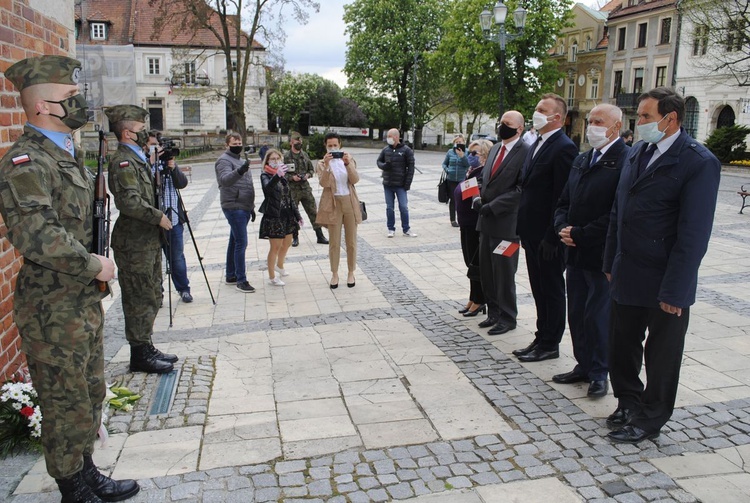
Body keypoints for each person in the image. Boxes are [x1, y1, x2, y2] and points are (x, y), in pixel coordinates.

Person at [0, 55, 139, 502]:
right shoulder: (26, 162)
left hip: (80, 302)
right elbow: (37, 234)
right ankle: (72, 487)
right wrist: (95, 265)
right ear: (42, 106)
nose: (80, 105)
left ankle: (86, 471)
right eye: (70, 98)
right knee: (65, 404)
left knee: (91, 391)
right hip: (52, 307)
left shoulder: (64, 154)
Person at [603, 87, 720, 444]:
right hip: (628, 269)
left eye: (645, 117)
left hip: (664, 277)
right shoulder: (638, 152)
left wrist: (677, 289)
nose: (639, 123)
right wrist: (610, 260)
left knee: (662, 354)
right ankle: (627, 400)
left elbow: (694, 233)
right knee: (622, 342)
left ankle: (651, 417)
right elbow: (617, 211)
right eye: (639, 116)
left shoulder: (698, 161)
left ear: (671, 119)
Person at [553, 104, 629, 398]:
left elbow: (616, 212)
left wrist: (582, 234)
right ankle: (583, 364)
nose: (592, 126)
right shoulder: (583, 159)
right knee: (578, 314)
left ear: (616, 127)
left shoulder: (625, 160)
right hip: (575, 252)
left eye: (599, 121)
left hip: (601, 254)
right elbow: (564, 201)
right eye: (590, 120)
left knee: (598, 316)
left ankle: (600, 371)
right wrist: (563, 227)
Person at [106, 105, 178, 375]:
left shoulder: (137, 158)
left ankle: (145, 344)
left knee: (152, 294)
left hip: (146, 239)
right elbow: (129, 202)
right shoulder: (123, 162)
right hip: (134, 242)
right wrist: (158, 216)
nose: (145, 133)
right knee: (139, 296)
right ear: (127, 133)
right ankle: (139, 354)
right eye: (140, 129)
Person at [514, 93, 578, 362]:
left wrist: (553, 236)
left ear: (558, 118)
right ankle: (541, 336)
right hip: (530, 231)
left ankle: (551, 342)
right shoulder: (537, 142)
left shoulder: (564, 147)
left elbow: (562, 196)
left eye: (543, 109)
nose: (536, 112)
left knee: (551, 289)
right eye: (537, 108)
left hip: (547, 235)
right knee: (538, 288)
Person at [474, 111, 529, 334]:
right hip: (485, 222)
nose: (502, 126)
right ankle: (493, 312)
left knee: (504, 273)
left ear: (520, 129)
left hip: (507, 226)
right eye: (501, 123)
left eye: (507, 124)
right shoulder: (496, 148)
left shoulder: (526, 152)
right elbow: (484, 177)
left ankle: (508, 317)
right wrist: (478, 195)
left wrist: (494, 206)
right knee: (487, 271)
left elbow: (521, 189)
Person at [147, 131, 192, 303]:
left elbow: (182, 183)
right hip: (152, 220)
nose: (155, 148)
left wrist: (172, 168)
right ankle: (157, 293)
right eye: (151, 145)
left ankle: (184, 289)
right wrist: (151, 162)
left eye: (156, 145)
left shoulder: (168, 163)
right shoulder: (142, 164)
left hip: (173, 218)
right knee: (154, 260)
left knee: (177, 257)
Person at [315, 132, 362, 288]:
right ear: (326, 146)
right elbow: (324, 183)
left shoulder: (348, 159)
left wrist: (348, 164)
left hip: (349, 201)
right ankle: (334, 274)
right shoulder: (322, 163)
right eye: (330, 146)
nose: (333, 148)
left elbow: (355, 179)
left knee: (351, 241)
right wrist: (328, 166)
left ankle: (350, 272)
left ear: (340, 145)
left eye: (335, 145)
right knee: (334, 242)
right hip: (332, 203)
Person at [453, 139, 491, 317]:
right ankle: (473, 297)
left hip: (474, 223)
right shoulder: (472, 171)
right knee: (469, 262)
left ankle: (479, 299)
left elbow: (475, 195)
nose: (470, 156)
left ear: (484, 155)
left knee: (475, 263)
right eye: (469, 152)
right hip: (466, 223)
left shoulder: (483, 172)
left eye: (474, 153)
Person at [215, 133, 256, 293]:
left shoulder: (239, 160)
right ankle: (241, 280)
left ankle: (231, 274)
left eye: (240, 142)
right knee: (241, 242)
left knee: (234, 241)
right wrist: (240, 170)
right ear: (227, 145)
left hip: (243, 205)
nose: (238, 145)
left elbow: (246, 184)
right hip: (233, 205)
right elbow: (224, 180)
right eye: (234, 143)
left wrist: (250, 206)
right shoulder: (224, 161)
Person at [260, 149, 302, 286]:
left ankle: (280, 265)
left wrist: (298, 215)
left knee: (288, 243)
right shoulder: (265, 175)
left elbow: (289, 197)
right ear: (267, 161)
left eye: (278, 158)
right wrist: (276, 176)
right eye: (273, 159)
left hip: (287, 215)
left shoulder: (283, 176)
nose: (276, 161)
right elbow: (267, 189)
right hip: (274, 216)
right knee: (275, 247)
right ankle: (272, 277)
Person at [284, 132, 328, 247]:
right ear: (291, 143)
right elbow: (282, 174)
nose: (299, 144)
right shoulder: (286, 157)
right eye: (297, 142)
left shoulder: (305, 155)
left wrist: (307, 175)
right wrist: (292, 177)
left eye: (300, 142)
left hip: (305, 188)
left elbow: (311, 170)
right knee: (293, 214)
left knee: (313, 211)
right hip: (292, 190)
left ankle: (320, 236)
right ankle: (295, 237)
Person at [377, 128, 417, 237]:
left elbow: (411, 168)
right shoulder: (386, 150)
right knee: (389, 207)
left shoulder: (406, 150)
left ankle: (406, 228)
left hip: (401, 185)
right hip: (388, 184)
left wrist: (407, 183)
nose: (388, 139)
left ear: (395, 137)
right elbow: (379, 161)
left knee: (403, 207)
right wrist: (384, 166)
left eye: (389, 136)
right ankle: (391, 228)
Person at [442, 134, 470, 227]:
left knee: (463, 200)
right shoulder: (450, 152)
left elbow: (468, 165)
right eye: (456, 142)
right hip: (451, 179)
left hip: (462, 179)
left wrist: (462, 156)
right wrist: (448, 171)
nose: (458, 144)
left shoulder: (467, 152)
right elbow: (444, 164)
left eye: (460, 142)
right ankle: (453, 220)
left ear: (464, 142)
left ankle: (462, 218)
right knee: (453, 199)